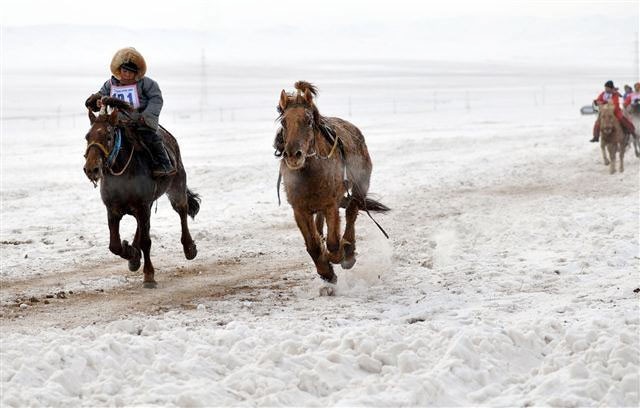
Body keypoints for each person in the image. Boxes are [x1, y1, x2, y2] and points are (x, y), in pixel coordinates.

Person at [85, 47, 175, 177]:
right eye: (124, 71)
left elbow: (156, 99)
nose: (127, 74)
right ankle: (95, 165)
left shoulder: (147, 84)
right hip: (115, 123)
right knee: (98, 137)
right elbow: (100, 95)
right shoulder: (110, 84)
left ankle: (164, 164)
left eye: (131, 72)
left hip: (138, 122)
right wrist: (96, 101)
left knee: (152, 139)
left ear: (136, 74)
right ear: (119, 70)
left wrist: (146, 117)